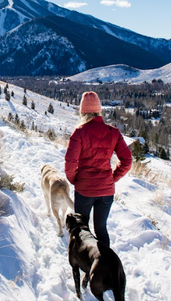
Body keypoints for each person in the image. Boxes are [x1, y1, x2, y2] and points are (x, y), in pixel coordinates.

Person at [64, 91, 132, 247]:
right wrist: (112, 178)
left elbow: (70, 162)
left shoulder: (79, 132)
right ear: (98, 110)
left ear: (82, 111)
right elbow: (127, 160)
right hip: (106, 190)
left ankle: (85, 265)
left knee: (82, 229)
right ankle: (104, 266)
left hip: (85, 189)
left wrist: (75, 180)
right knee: (101, 228)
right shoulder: (113, 132)